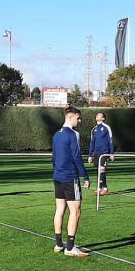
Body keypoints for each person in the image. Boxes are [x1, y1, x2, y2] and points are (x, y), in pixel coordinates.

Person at [51, 106, 90, 257]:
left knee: (60, 209)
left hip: (57, 177)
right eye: (78, 118)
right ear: (71, 117)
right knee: (76, 211)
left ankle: (59, 244)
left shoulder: (56, 135)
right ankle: (70, 247)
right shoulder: (73, 134)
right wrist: (85, 176)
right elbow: (76, 157)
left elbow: (53, 157)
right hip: (69, 177)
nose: (79, 121)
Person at [87, 111, 115, 195]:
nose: (97, 116)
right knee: (100, 171)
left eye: (100, 115)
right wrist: (90, 155)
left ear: (103, 118)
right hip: (96, 153)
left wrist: (111, 153)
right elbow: (92, 143)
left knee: (102, 169)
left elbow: (110, 141)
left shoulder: (106, 128)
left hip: (104, 152)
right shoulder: (94, 129)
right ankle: (105, 188)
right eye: (97, 115)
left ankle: (99, 189)